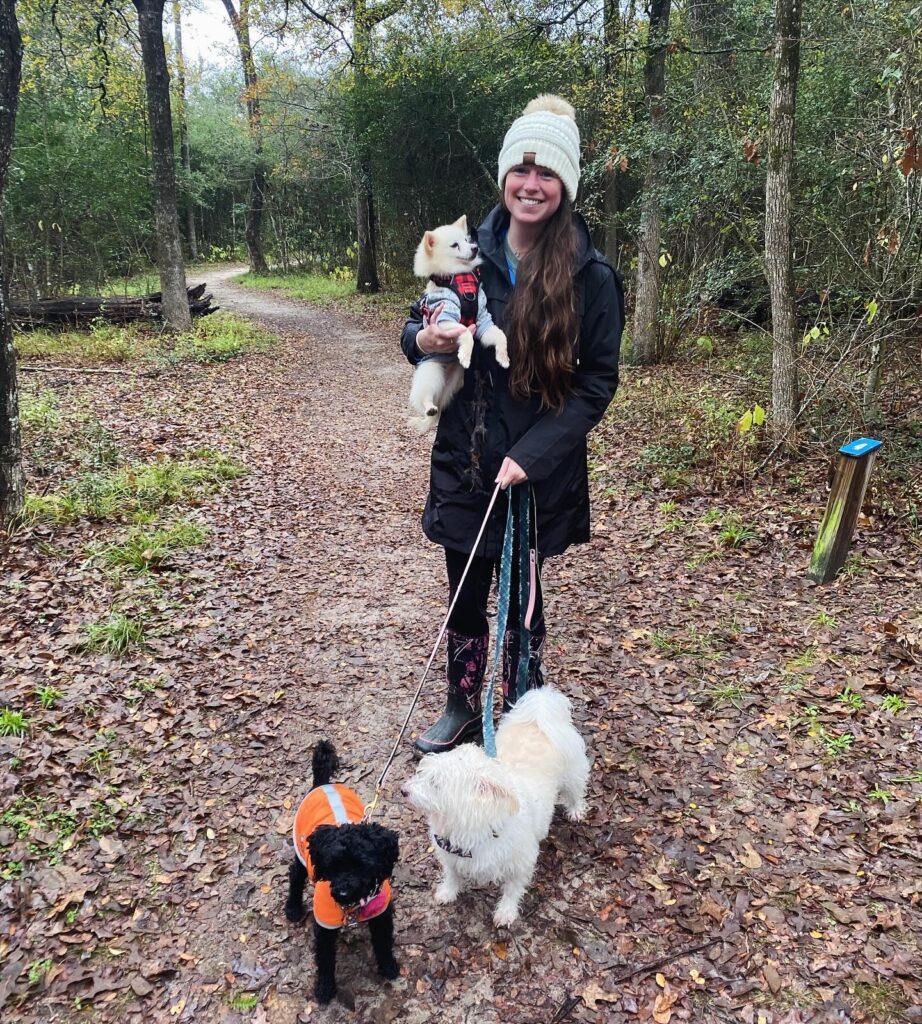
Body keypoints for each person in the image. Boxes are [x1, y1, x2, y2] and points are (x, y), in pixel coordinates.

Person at [400, 95, 625, 756]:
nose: (532, 185)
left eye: (547, 173)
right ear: (504, 176)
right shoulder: (464, 252)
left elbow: (597, 382)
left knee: (524, 603)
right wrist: (425, 340)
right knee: (465, 589)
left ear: (566, 184)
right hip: (465, 458)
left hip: (536, 468)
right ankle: (461, 703)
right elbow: (414, 329)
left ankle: (524, 716)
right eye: (521, 170)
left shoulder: (591, 275)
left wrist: (537, 453)